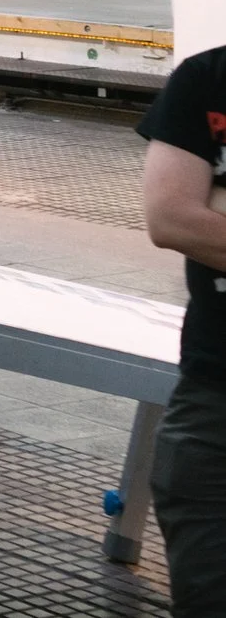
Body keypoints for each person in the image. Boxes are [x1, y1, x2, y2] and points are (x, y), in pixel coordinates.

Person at [140, 42, 226, 614]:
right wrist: (198, 211)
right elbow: (171, 217)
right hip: (215, 398)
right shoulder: (208, 78)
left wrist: (215, 204)